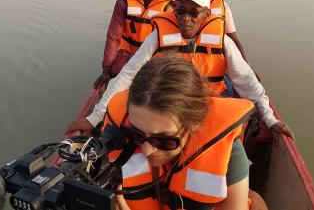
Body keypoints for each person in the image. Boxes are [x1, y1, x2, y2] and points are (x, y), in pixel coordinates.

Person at [66, 0, 295, 140]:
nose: (186, 17)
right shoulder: (157, 36)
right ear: (173, 10)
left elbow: (247, 83)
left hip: (208, 106)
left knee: (234, 136)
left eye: (194, 12)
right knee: (126, 131)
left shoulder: (222, 41)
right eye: (180, 10)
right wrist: (94, 117)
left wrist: (270, 118)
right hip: (165, 106)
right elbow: (127, 75)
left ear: (206, 14)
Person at [106, 55, 254, 210]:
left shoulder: (231, 158)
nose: (146, 150)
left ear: (194, 123)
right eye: (136, 134)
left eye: (164, 140)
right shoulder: (116, 135)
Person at [93, 0, 175, 89]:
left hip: (154, 56)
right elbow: (113, 36)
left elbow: (172, 42)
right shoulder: (123, 3)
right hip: (128, 54)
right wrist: (106, 69)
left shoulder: (169, 5)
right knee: (115, 74)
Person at [187, 0, 251, 64]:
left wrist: (247, 66)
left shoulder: (223, 7)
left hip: (213, 60)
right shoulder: (180, 9)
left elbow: (233, 38)